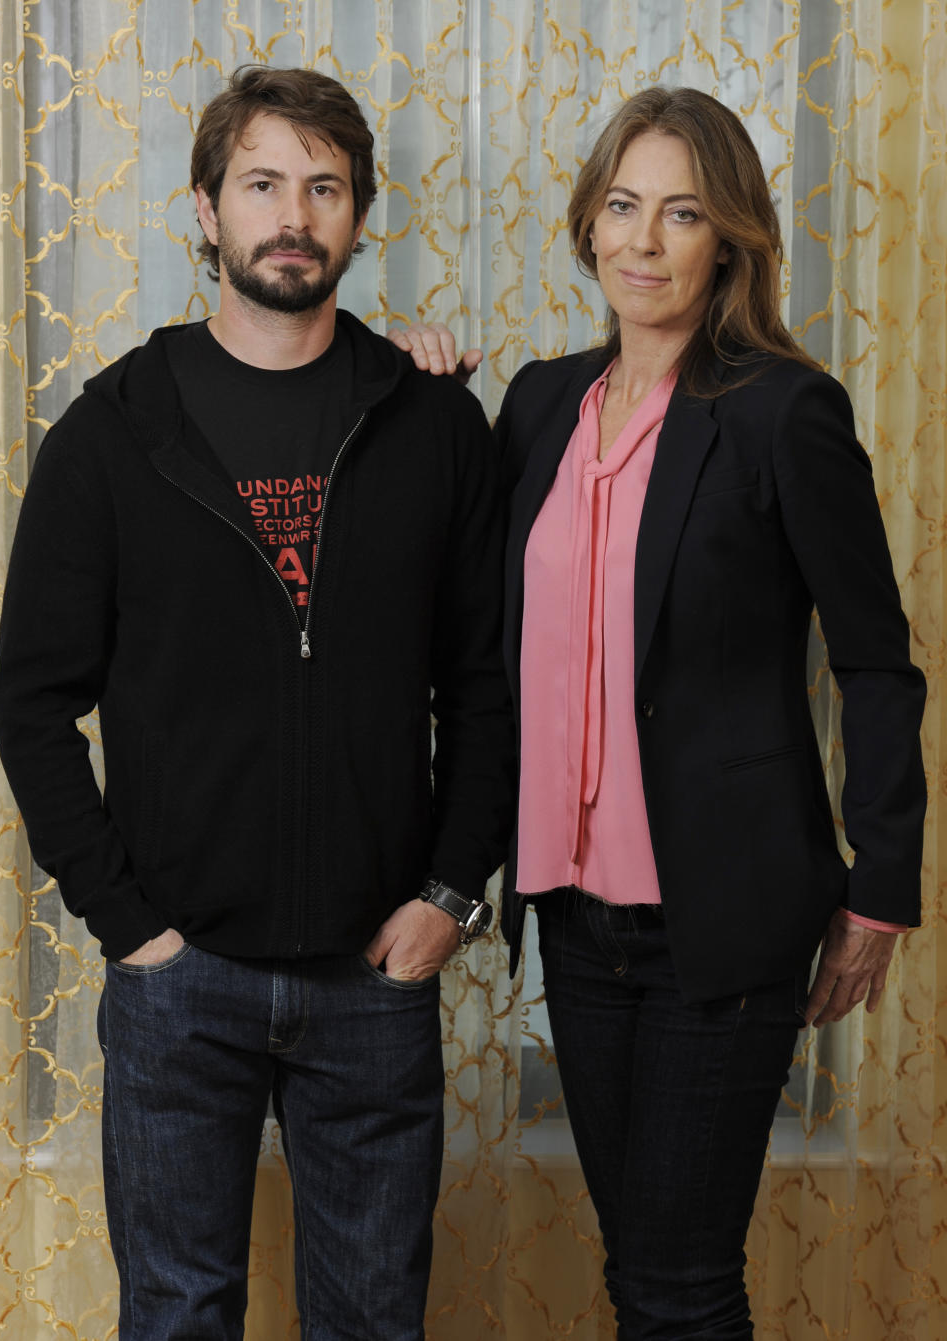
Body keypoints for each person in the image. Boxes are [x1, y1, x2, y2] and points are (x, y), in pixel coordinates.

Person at [389, 86, 927, 1338]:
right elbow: (472, 601)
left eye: (681, 213)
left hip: (721, 926)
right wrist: (420, 384)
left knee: (682, 1285)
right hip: (574, 919)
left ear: (728, 237)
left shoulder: (784, 411)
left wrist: (880, 887)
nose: (643, 239)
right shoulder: (539, 404)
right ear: (587, 226)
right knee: (642, 1270)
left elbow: (878, 662)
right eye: (622, 207)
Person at [0, 65, 514, 1341]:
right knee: (175, 1317)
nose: (295, 213)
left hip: (375, 976)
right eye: (265, 183)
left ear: (358, 214)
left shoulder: (433, 422)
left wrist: (450, 895)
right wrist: (131, 929)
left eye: (324, 186)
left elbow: (494, 686)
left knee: (374, 1322)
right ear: (206, 209)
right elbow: (29, 702)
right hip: (182, 981)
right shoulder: (110, 433)